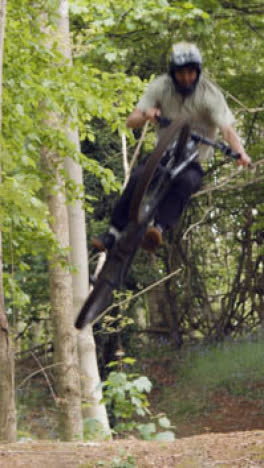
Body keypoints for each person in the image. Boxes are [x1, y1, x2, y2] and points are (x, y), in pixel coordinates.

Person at [93, 42, 251, 253]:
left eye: (191, 73)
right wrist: (146, 115)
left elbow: (227, 130)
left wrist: (240, 152)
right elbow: (131, 121)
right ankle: (112, 233)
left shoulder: (209, 94)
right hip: (164, 152)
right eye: (181, 74)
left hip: (193, 159)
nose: (186, 78)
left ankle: (158, 228)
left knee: (188, 181)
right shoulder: (160, 86)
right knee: (139, 176)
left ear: (198, 72)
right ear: (172, 73)